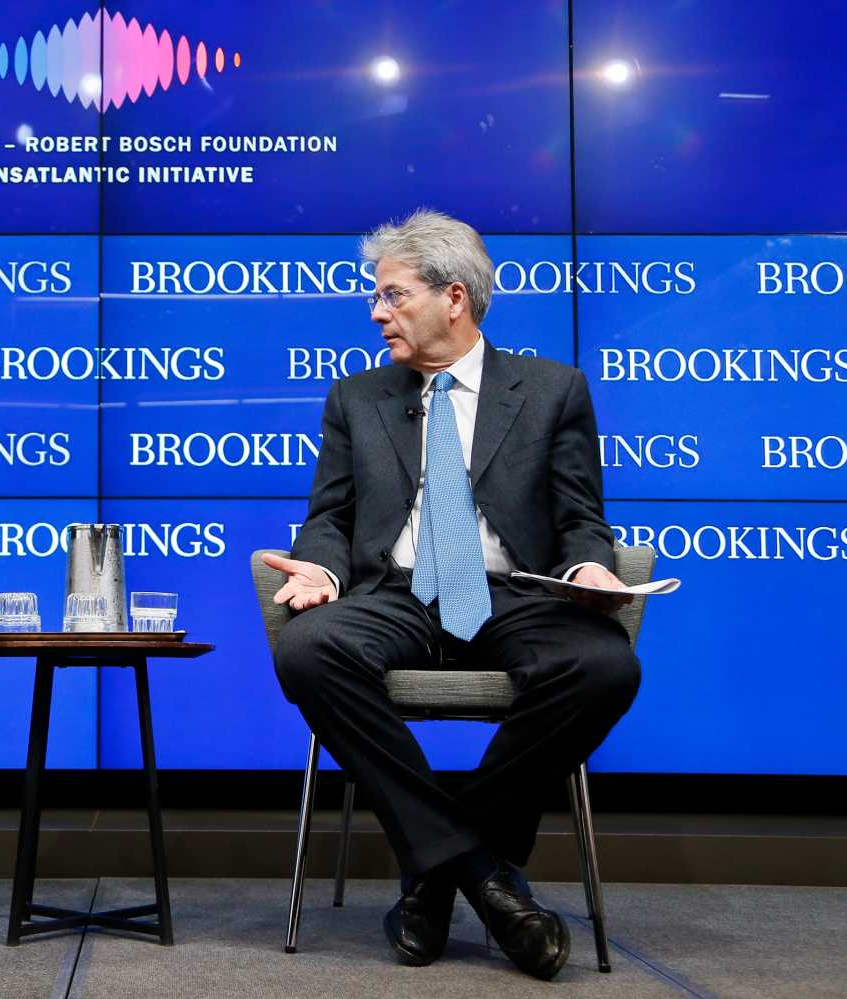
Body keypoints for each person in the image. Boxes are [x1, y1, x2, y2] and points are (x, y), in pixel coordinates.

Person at [268, 209, 639, 980]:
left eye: (393, 296)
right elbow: (329, 517)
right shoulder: (357, 397)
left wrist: (591, 568)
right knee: (307, 648)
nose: (376, 313)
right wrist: (322, 570)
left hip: (513, 595)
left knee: (607, 666)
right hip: (396, 593)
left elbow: (580, 517)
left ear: (455, 299)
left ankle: (433, 871)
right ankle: (483, 871)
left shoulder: (551, 390)